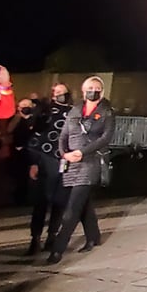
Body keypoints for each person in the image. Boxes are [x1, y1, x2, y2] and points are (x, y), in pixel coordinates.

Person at [47, 76, 116, 264]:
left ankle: (58, 249)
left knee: (72, 208)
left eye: (97, 88)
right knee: (83, 203)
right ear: (83, 90)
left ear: (102, 91)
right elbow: (64, 134)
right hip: (71, 162)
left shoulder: (107, 112)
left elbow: (105, 138)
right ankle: (94, 236)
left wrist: (82, 152)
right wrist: (65, 153)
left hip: (90, 162)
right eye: (90, 88)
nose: (93, 91)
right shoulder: (75, 110)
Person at [25, 82, 74, 255]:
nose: (58, 95)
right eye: (56, 92)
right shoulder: (45, 110)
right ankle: (35, 238)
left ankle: (52, 236)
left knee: (59, 201)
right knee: (41, 202)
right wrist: (33, 162)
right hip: (45, 160)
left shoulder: (73, 112)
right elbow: (36, 135)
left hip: (64, 160)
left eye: (62, 92)